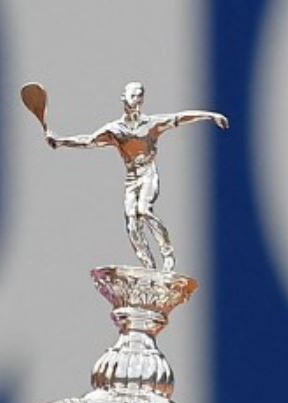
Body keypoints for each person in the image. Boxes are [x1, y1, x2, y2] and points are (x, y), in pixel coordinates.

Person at [43, 81, 228, 272]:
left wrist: (210, 115)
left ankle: (167, 254)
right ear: (124, 98)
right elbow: (88, 141)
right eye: (134, 95)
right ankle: (148, 266)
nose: (137, 100)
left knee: (144, 210)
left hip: (148, 173)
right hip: (132, 178)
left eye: (140, 96)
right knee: (132, 222)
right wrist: (60, 141)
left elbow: (179, 118)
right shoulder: (114, 129)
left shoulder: (151, 124)